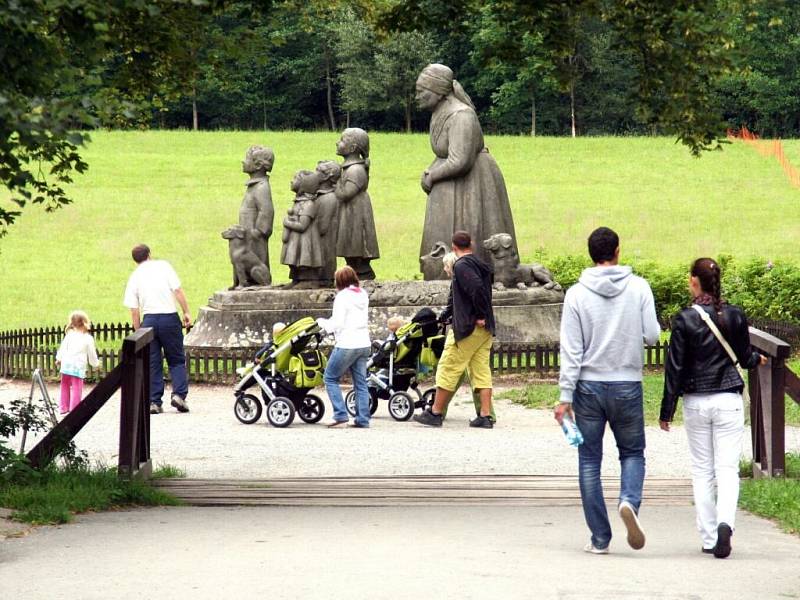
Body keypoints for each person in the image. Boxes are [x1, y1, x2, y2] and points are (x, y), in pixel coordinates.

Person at [554, 226, 660, 554]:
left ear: (591, 253)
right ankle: (628, 501)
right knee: (632, 453)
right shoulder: (639, 287)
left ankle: (600, 538)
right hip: (627, 382)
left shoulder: (576, 294)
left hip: (587, 385)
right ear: (617, 250)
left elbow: (571, 351)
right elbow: (654, 336)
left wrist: (564, 397)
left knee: (589, 460)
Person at [659, 258, 766, 559]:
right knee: (728, 469)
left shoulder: (684, 319)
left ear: (694, 281)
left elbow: (675, 368)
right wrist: (756, 359)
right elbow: (744, 357)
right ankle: (725, 524)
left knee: (702, 470)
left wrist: (667, 409)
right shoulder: (735, 315)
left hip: (696, 400)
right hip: (728, 399)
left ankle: (708, 537)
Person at [415, 63, 518, 277]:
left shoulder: (461, 116)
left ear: (438, 91)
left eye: (420, 91)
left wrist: (433, 175)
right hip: (451, 186)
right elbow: (445, 153)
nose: (417, 97)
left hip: (473, 183)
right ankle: (442, 274)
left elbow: (460, 160)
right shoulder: (439, 113)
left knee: (472, 227)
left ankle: (474, 277)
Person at [414, 231, 496, 429]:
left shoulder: (462, 265)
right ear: (472, 244)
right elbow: (482, 287)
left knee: (447, 367)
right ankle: (485, 416)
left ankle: (435, 412)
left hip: (468, 328)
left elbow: (476, 289)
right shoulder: (479, 263)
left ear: (454, 246)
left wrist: (480, 315)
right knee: (481, 371)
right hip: (484, 331)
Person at [123, 244, 192, 414]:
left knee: (153, 362)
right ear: (149, 254)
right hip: (169, 317)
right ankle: (179, 395)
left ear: (135, 260)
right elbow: (177, 290)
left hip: (149, 320)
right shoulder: (164, 266)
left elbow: (134, 310)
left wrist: (139, 331)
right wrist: (186, 312)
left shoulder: (134, 277)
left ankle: (154, 401)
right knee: (176, 359)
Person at [317, 266, 371, 428]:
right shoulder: (362, 294)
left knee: (330, 377)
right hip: (364, 342)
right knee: (360, 382)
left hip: (347, 342)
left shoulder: (342, 297)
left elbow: (337, 323)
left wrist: (322, 323)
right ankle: (363, 418)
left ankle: (340, 414)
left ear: (339, 281)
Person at [334, 128, 380, 280]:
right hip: (350, 211)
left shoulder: (355, 170)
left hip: (356, 214)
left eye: (341, 141)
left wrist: (334, 185)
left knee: (356, 244)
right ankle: (356, 272)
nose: (337, 143)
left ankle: (363, 274)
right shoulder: (349, 168)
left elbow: (346, 193)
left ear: (353, 148)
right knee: (350, 247)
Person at [55, 310, 100, 415]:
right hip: (78, 367)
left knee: (64, 385)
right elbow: (92, 354)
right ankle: (74, 410)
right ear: (85, 322)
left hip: (66, 365)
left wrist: (59, 358)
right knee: (77, 387)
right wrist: (95, 364)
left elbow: (62, 348)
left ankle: (63, 407)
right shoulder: (88, 338)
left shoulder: (69, 335)